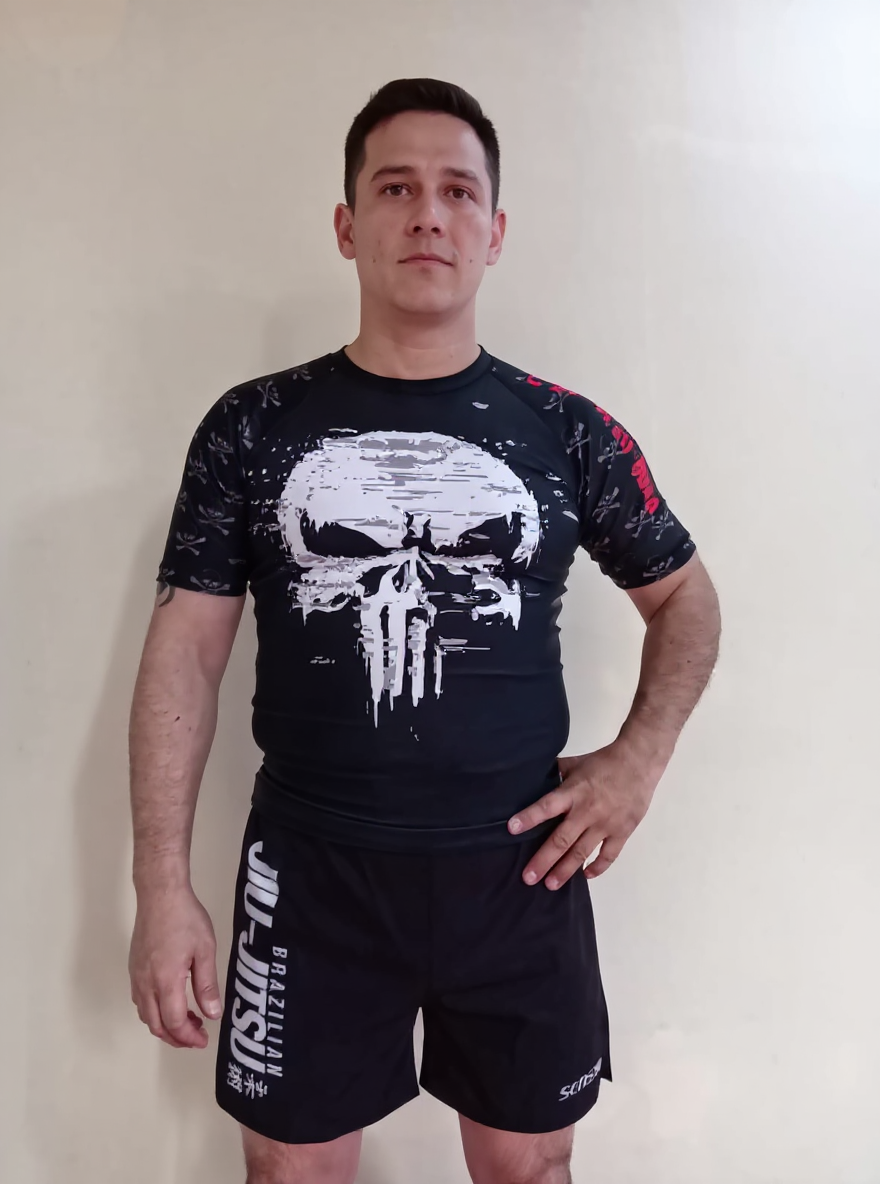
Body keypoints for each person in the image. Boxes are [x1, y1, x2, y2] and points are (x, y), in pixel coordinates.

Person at [128, 78, 721, 1184]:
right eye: (395, 188)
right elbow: (185, 655)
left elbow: (685, 597)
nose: (428, 216)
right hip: (310, 874)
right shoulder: (252, 428)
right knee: (289, 1173)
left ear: (493, 232)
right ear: (347, 224)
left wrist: (637, 761)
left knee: (530, 1168)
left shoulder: (569, 433)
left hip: (520, 871)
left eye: (458, 191)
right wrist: (160, 885)